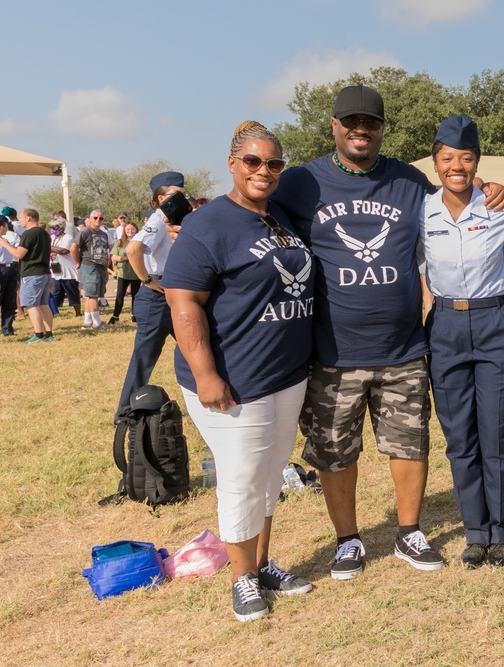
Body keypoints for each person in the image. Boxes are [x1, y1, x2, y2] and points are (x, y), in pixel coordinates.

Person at [270, 84, 504, 579]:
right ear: (334, 126)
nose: (362, 130)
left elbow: (455, 185)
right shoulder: (301, 182)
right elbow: (254, 207)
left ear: (383, 130)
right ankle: (347, 540)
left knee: (409, 443)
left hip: (402, 345)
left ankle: (408, 532)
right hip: (333, 348)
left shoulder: (408, 179)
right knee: (336, 451)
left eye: (372, 123)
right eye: (352, 122)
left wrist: (487, 185)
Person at [164, 120, 315, 622]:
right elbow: (183, 300)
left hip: (285, 374)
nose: (263, 171)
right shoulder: (209, 225)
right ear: (232, 163)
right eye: (252, 161)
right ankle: (242, 579)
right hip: (234, 378)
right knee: (241, 476)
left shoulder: (279, 217)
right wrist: (205, 373)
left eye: (273, 163)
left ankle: (263, 563)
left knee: (271, 472)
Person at [419, 116, 504, 569]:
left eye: (466, 158)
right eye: (448, 158)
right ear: (436, 163)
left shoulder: (499, 208)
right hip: (444, 325)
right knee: (459, 435)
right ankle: (475, 531)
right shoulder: (423, 212)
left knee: (498, 432)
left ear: (477, 162)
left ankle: (502, 531)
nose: (456, 166)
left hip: (495, 320)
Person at [114, 171, 184, 424]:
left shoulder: (178, 218)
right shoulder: (160, 217)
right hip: (158, 295)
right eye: (177, 194)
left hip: (177, 290)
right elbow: (133, 249)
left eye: (184, 193)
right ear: (161, 198)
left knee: (196, 347)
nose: (183, 198)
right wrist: (147, 281)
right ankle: (125, 413)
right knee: (145, 357)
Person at [0, 208, 54, 343]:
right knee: (43, 304)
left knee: (31, 305)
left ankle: (38, 334)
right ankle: (48, 334)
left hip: (32, 273)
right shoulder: (45, 234)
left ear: (29, 218)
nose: (19, 220)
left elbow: (18, 254)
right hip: (44, 272)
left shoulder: (29, 234)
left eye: (21, 217)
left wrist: (5, 245)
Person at [70, 210, 112, 331]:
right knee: (93, 295)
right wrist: (79, 262)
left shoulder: (103, 234)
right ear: (90, 219)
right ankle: (97, 322)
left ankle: (88, 321)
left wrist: (106, 270)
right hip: (89, 265)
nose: (98, 220)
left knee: (91, 295)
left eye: (101, 218)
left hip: (100, 266)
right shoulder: (85, 231)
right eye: (95, 218)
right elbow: (73, 248)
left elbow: (105, 253)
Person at [109, 222, 141, 326]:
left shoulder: (139, 241)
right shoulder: (120, 242)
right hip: (123, 273)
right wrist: (126, 258)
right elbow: (113, 257)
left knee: (136, 295)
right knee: (120, 295)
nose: (130, 231)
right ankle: (115, 316)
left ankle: (135, 315)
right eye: (128, 229)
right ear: (124, 231)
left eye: (132, 229)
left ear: (136, 230)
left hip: (137, 272)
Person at [49, 219, 81, 317]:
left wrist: (48, 247)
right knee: (56, 292)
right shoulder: (52, 238)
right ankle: (54, 312)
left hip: (68, 270)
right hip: (55, 268)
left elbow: (64, 251)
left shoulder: (68, 238)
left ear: (62, 228)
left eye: (55, 228)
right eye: (51, 227)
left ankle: (78, 312)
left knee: (72, 292)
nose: (52, 230)